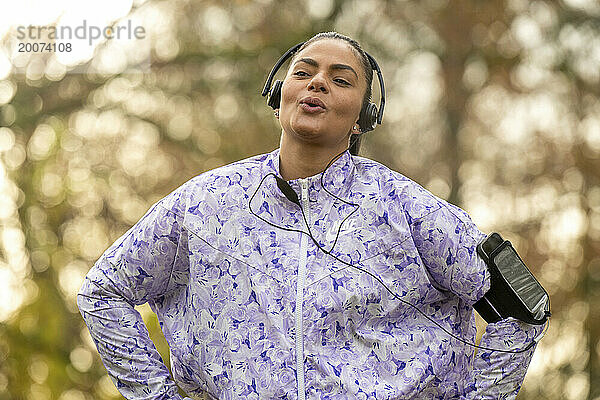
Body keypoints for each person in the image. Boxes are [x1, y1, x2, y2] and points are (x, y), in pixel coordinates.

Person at [78, 32, 545, 399]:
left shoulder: (410, 209)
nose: (318, 82)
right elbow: (103, 291)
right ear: (281, 93)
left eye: (341, 79)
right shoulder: (204, 203)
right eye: (305, 72)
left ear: (364, 115)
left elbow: (525, 306)